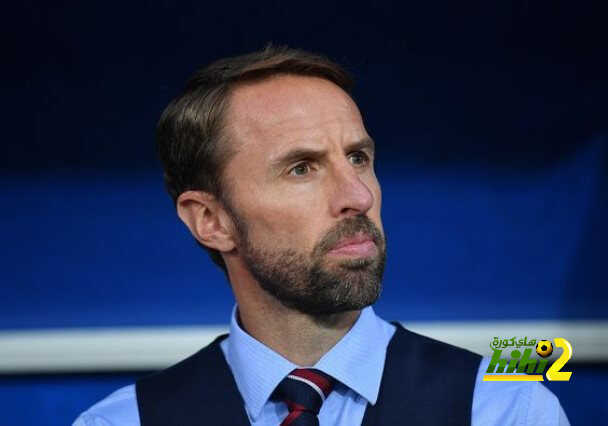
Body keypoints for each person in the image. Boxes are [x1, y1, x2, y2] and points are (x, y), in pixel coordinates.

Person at [73, 45, 569, 425]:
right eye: (301, 168)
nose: (358, 195)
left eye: (358, 158)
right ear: (211, 220)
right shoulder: (123, 422)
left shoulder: (505, 410)